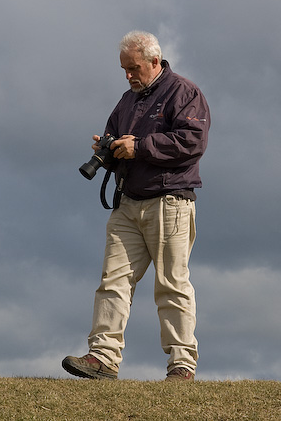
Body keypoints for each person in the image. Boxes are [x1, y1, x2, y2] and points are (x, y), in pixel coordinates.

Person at [63, 30, 210, 382]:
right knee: (112, 280)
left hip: (170, 199)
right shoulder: (127, 101)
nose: (128, 75)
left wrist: (139, 146)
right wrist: (109, 151)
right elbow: (118, 138)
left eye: (133, 68)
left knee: (172, 283)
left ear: (155, 62)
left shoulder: (184, 92)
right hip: (129, 202)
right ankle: (102, 357)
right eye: (124, 69)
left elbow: (193, 141)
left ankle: (181, 365)